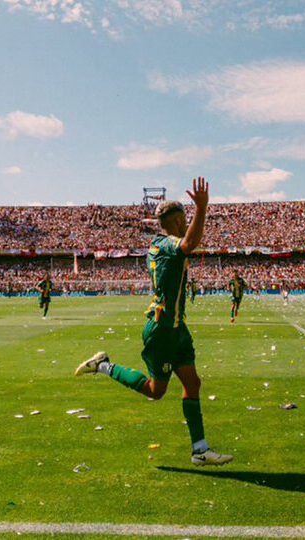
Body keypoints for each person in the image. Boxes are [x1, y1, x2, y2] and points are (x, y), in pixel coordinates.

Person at [75, 177, 232, 466]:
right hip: (162, 330)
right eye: (184, 219)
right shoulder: (168, 243)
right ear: (177, 221)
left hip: (176, 328)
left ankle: (200, 450)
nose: (187, 223)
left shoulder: (162, 244)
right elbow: (189, 243)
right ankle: (104, 365)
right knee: (155, 391)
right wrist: (202, 208)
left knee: (192, 383)